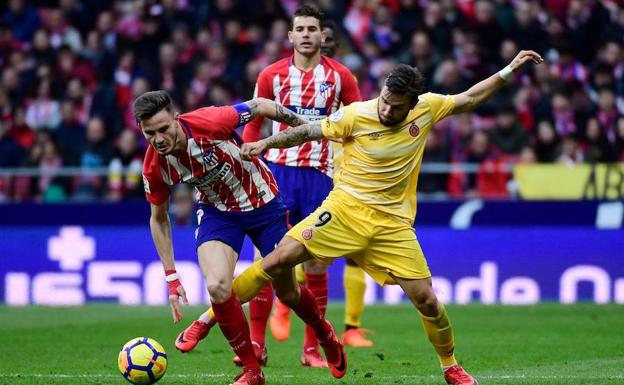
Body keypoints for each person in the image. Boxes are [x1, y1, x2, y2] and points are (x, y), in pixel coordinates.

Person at [236, 51, 544, 385]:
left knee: (427, 300)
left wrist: (509, 69)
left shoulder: (427, 108)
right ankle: (217, 317)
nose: (386, 109)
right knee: (280, 257)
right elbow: (308, 131)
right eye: (385, 100)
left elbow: (468, 98)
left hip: (393, 225)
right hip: (345, 208)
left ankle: (450, 365)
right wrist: (265, 143)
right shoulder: (358, 113)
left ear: (412, 105)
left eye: (396, 107)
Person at [175, 5, 370, 367]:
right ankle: (257, 344)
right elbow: (254, 121)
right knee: (267, 262)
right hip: (276, 175)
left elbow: (357, 124)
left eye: (314, 28)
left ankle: (311, 350)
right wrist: (246, 157)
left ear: (323, 36)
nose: (308, 34)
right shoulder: (271, 75)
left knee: (314, 265)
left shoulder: (342, 77)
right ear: (291, 36)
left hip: (320, 175)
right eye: (301, 28)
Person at [136, 90, 345, 385]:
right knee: (217, 287)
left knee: (287, 293)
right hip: (218, 213)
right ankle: (252, 371)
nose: (158, 139)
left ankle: (325, 333)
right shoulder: (154, 166)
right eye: (149, 134)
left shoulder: (208, 121)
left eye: (163, 129)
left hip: (265, 206)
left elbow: (260, 105)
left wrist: (301, 126)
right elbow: (158, 219)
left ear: (175, 118)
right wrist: (171, 276)